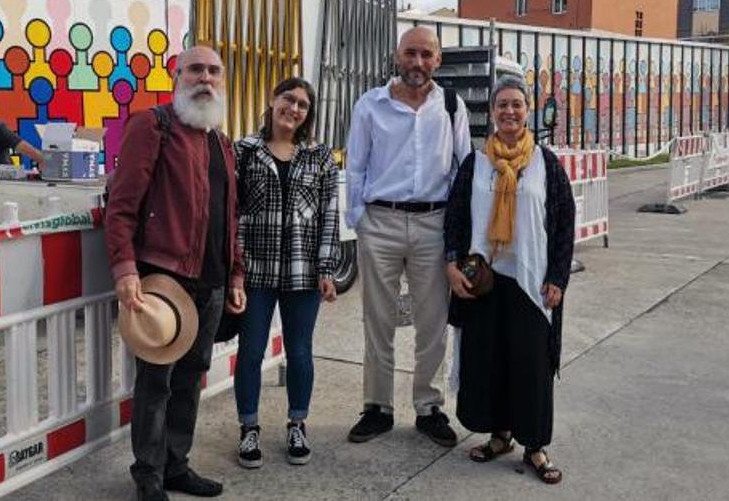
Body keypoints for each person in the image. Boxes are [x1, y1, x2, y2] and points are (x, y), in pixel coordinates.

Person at [104, 46, 246, 501]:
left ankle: (175, 465)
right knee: (156, 382)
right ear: (177, 75)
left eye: (214, 71)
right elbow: (122, 205)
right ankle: (147, 472)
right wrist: (125, 268)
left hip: (211, 281)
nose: (205, 78)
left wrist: (236, 275)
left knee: (191, 377)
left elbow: (230, 216)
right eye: (195, 69)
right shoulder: (153, 125)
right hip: (163, 279)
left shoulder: (219, 140)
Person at [444, 76, 575, 485]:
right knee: (490, 361)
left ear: (527, 110)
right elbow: (456, 218)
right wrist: (451, 264)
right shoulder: (476, 162)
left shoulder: (545, 164)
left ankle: (534, 445)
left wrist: (558, 277)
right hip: (484, 280)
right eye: (502, 104)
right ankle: (500, 436)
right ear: (493, 112)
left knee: (532, 365)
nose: (509, 112)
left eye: (516, 104)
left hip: (532, 282)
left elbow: (565, 225)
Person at [344, 26, 471, 447]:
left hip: (433, 224)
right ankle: (376, 407)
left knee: (432, 321)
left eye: (427, 55)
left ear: (438, 60)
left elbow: (462, 171)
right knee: (377, 320)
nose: (418, 63)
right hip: (380, 222)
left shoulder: (452, 106)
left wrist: (458, 232)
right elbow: (357, 166)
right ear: (398, 56)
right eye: (410, 54)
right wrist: (359, 219)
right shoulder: (370, 105)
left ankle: (429, 407)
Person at [232, 77, 339, 469]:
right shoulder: (244, 151)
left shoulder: (320, 157)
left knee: (300, 351)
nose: (294, 109)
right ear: (273, 100)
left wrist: (326, 269)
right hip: (254, 272)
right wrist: (234, 271)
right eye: (288, 99)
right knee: (251, 352)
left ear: (309, 114)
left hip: (302, 272)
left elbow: (330, 216)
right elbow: (232, 214)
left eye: (303, 105)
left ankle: (297, 423)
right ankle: (248, 428)